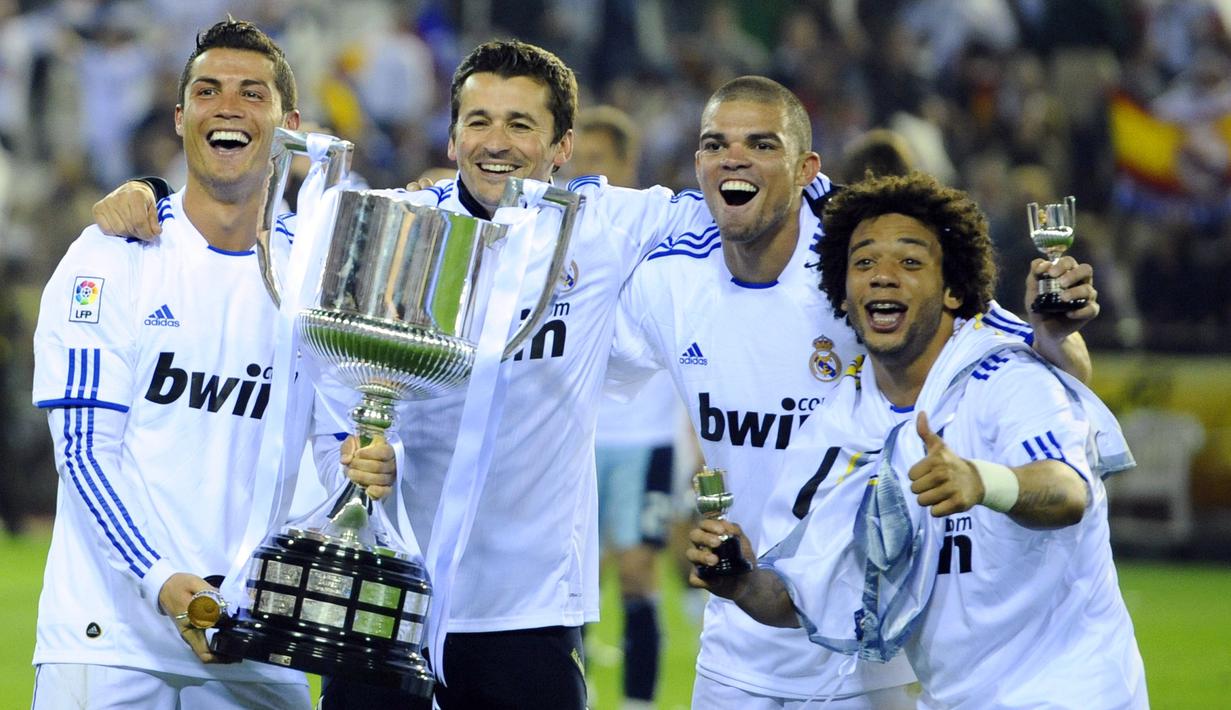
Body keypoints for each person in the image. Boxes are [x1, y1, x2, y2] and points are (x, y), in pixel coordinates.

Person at [88, 57, 1097, 709]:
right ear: (450, 135)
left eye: (521, 124)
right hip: (382, 590)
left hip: (527, 606)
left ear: (562, 146)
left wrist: (1016, 316)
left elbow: (742, 202)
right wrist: (153, 203)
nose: (495, 141)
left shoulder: (609, 226)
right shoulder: (395, 223)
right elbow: (294, 306)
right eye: (476, 119)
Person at [605, 77, 1099, 708]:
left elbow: (1043, 366)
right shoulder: (668, 279)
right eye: (715, 144)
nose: (733, 158)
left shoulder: (868, 263)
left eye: (760, 144)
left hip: (870, 652)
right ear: (698, 163)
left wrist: (1058, 335)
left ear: (807, 168)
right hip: (738, 636)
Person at [30, 19, 390, 709]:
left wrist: (364, 458)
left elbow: (330, 447)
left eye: (251, 93)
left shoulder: (318, 278)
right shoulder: (111, 257)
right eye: (208, 90)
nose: (228, 105)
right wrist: (162, 581)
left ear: (287, 125)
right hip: (106, 644)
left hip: (257, 643)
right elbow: (83, 455)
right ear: (180, 116)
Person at [686, 172, 1147, 708]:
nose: (882, 277)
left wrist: (981, 481)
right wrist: (741, 582)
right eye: (863, 263)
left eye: (909, 262)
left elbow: (1068, 493)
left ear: (953, 289)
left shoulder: (1006, 376)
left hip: (1073, 692)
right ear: (842, 292)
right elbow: (795, 594)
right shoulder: (839, 426)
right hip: (951, 698)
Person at [566, 105, 679, 708]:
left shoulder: (659, 239)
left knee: (637, 574)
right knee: (571, 584)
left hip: (645, 440)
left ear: (625, 166)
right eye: (576, 162)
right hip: (574, 442)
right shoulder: (554, 240)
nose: (583, 175)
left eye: (597, 163)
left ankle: (638, 704)